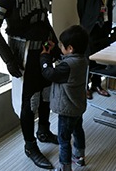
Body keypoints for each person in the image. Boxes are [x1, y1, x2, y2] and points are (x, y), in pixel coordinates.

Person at [0, 0, 64, 170]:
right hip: (23, 55)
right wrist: (8, 60)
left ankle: (44, 131)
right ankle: (30, 146)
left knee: (46, 95)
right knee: (29, 102)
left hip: (43, 51)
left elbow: (43, 21)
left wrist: (56, 45)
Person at [40, 25, 89, 171]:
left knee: (64, 140)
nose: (61, 47)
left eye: (62, 46)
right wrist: (56, 49)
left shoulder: (67, 66)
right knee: (78, 131)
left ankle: (64, 167)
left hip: (67, 110)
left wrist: (44, 57)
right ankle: (79, 157)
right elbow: (66, 59)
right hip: (77, 106)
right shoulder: (82, 59)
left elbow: (49, 73)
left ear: (71, 48)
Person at [77, 0, 116, 99]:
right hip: (89, 28)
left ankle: (96, 84)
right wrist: (87, 23)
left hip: (105, 26)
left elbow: (109, 3)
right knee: (87, 58)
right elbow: (80, 7)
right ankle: (85, 87)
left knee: (101, 58)